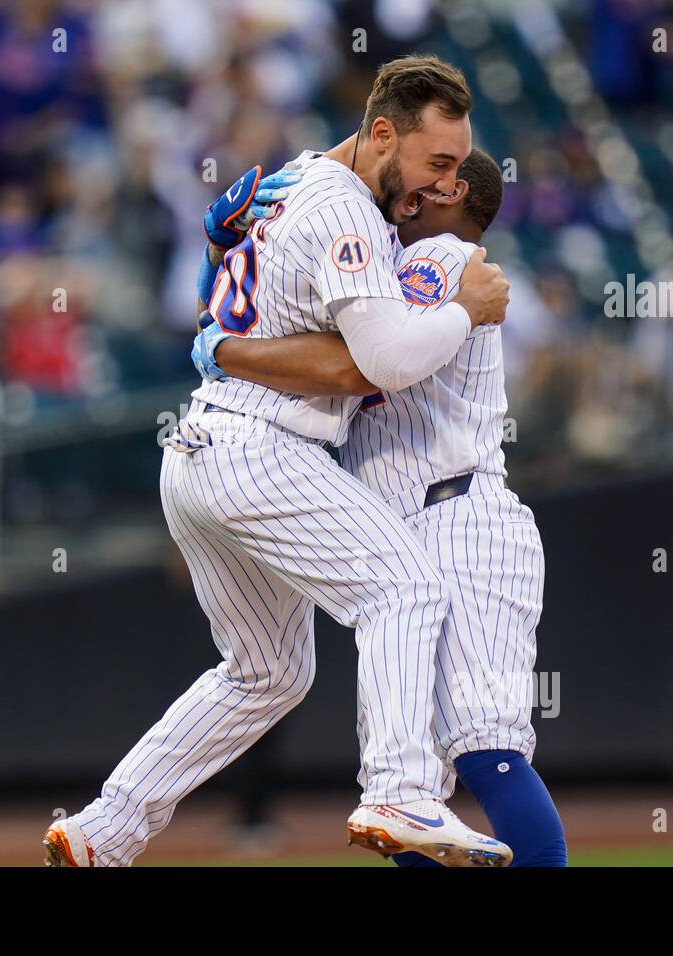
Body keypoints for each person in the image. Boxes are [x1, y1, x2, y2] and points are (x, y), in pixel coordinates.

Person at [44, 56, 513, 867]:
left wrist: (219, 324)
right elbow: (383, 362)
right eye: (435, 162)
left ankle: (105, 828)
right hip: (263, 447)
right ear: (381, 133)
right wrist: (465, 310)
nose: (444, 184)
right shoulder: (346, 212)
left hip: (200, 449)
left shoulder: (292, 179)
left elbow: (231, 309)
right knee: (406, 589)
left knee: (267, 672)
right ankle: (401, 791)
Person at [198, 149, 568, 866]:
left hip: (461, 520)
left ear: (452, 190)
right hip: (399, 532)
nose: (403, 186)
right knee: (407, 796)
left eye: (428, 174)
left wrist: (229, 330)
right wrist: (226, 253)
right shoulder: (404, 259)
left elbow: (361, 358)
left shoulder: (441, 255)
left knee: (486, 747)